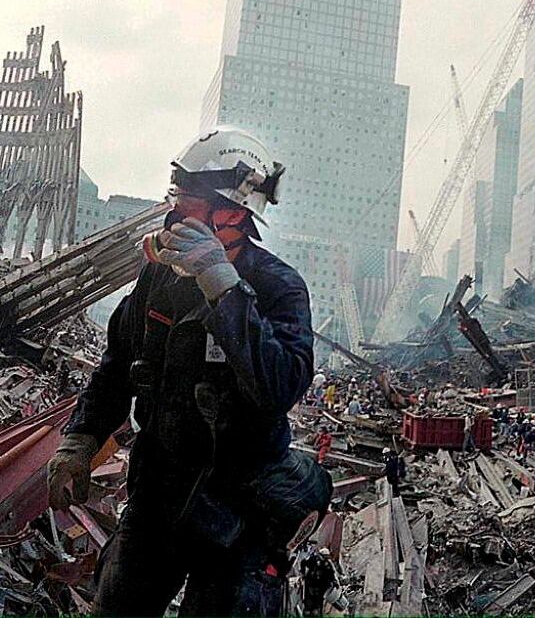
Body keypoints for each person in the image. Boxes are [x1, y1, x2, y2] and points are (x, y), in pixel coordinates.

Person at [46, 127, 323, 617]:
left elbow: (278, 386)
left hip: (240, 512)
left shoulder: (280, 287)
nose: (174, 213)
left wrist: (222, 285)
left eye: (189, 202)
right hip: (159, 497)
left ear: (233, 213)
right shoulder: (158, 277)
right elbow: (116, 367)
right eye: (175, 196)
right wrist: (82, 439)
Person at [301, 546, 336, 616]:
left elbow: (331, 573)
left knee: (317, 603)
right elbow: (303, 562)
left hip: (320, 586)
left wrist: (333, 581)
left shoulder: (326, 564)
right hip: (311, 584)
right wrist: (303, 573)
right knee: (310, 603)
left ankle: (315, 612)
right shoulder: (313, 559)